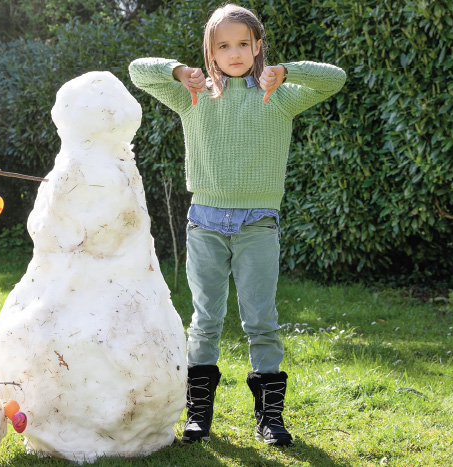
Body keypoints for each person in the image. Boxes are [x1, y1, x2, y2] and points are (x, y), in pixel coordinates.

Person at [129, 3, 345, 447]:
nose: (234, 53)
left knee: (261, 320)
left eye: (243, 44)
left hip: (258, 224)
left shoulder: (279, 96)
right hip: (205, 223)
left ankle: (270, 418)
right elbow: (137, 71)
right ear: (209, 51)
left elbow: (334, 78)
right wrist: (177, 72)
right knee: (205, 320)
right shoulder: (193, 95)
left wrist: (285, 71)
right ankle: (198, 416)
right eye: (223, 45)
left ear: (258, 46)